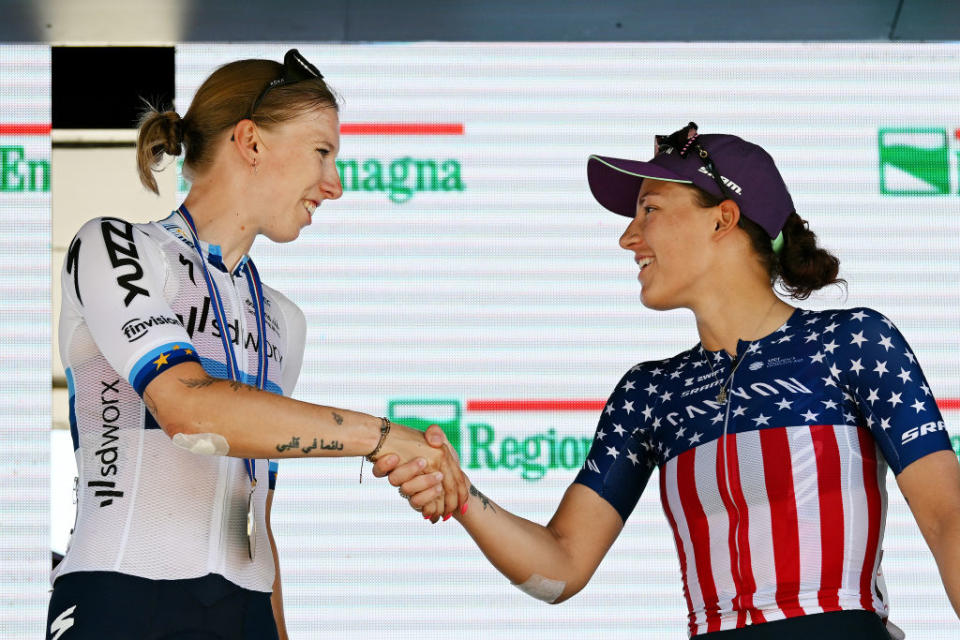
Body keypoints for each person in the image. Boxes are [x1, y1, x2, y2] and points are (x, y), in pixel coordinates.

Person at [376, 123, 960, 638]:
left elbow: (947, 518)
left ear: (724, 217)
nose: (628, 238)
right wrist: (461, 494)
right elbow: (561, 569)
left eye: (649, 209)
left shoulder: (852, 340)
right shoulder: (648, 392)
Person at [48, 49, 464, 640]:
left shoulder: (283, 319)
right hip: (122, 595)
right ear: (250, 142)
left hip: (243, 612)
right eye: (322, 152)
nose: (335, 185)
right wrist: (383, 436)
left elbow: (256, 514)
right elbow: (189, 410)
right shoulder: (116, 246)